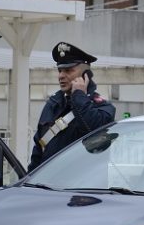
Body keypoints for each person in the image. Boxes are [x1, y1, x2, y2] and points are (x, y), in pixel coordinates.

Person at [28, 42, 116, 171]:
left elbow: (92, 133)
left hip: (79, 188)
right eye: (60, 70)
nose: (61, 76)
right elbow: (38, 150)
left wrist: (79, 95)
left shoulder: (103, 108)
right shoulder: (53, 105)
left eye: (68, 70)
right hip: (46, 185)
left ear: (86, 76)